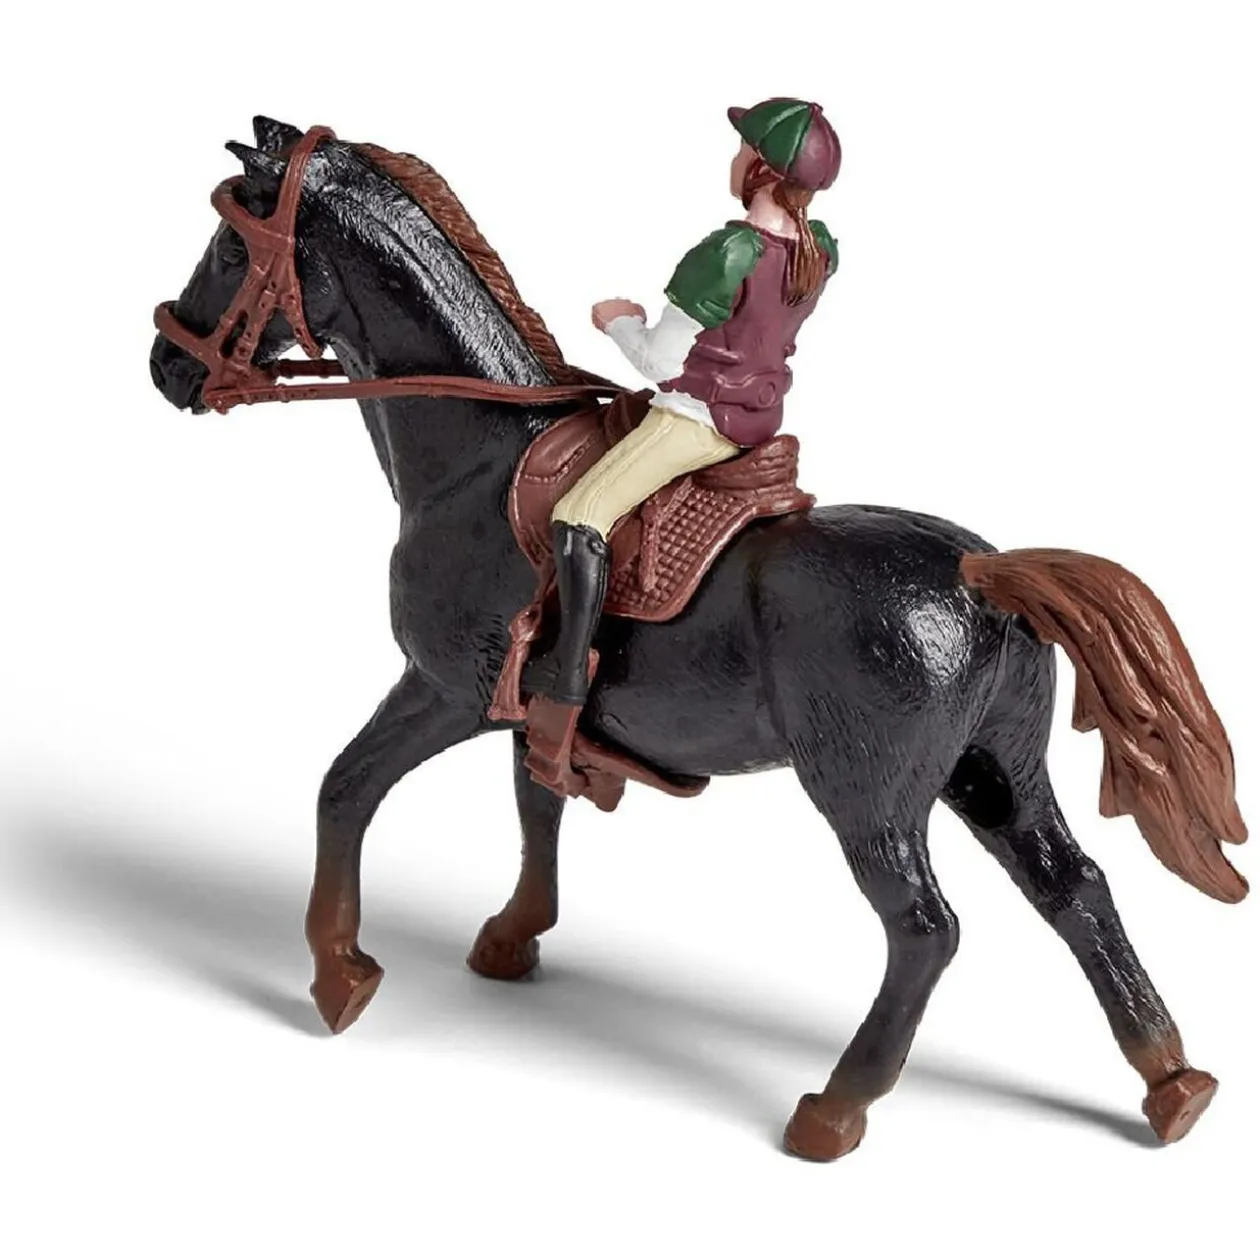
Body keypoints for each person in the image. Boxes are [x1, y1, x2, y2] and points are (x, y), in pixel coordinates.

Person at [528, 98, 842, 709]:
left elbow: (660, 364)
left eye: (743, 150)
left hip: (698, 420)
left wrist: (619, 322)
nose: (735, 159)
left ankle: (566, 671)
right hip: (761, 413)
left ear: (761, 170)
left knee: (579, 513)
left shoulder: (731, 252)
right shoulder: (820, 250)